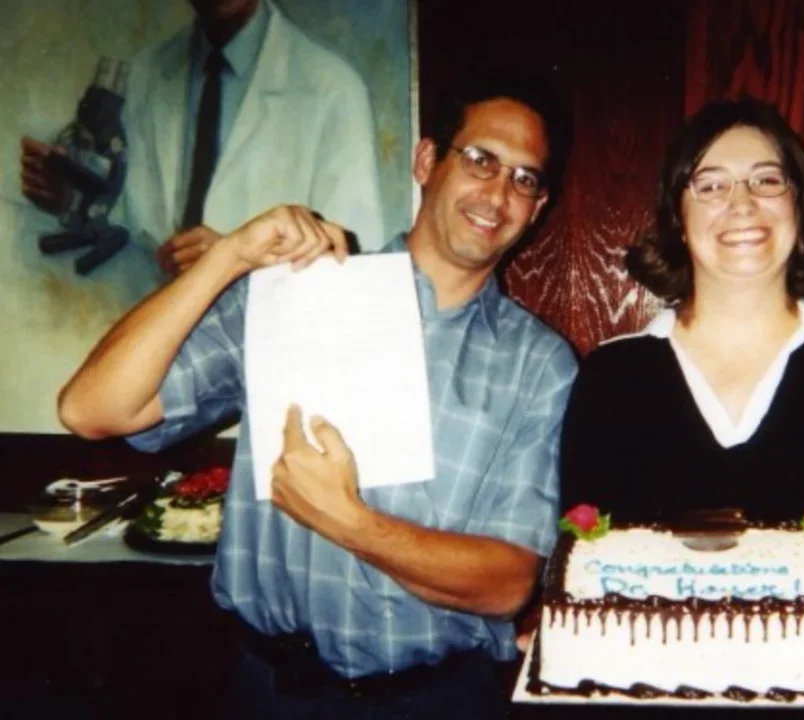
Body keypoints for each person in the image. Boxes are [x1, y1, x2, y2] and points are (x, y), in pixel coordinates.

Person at [57, 75, 578, 719]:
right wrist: (232, 258)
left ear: (539, 205)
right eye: (479, 160)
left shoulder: (540, 363)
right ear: (426, 161)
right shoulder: (293, 294)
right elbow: (92, 409)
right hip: (272, 693)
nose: (498, 194)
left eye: (524, 179)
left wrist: (346, 520)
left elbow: (506, 584)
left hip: (441, 700)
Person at [559, 98, 804, 718]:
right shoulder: (614, 375)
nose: (741, 205)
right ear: (676, 215)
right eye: (710, 184)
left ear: (799, 201)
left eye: (766, 180)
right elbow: (588, 554)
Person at [21, 0, 384, 281]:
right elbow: (134, 229)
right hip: (155, 343)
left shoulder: (335, 91)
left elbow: (352, 268)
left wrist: (236, 261)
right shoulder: (147, 74)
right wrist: (74, 201)